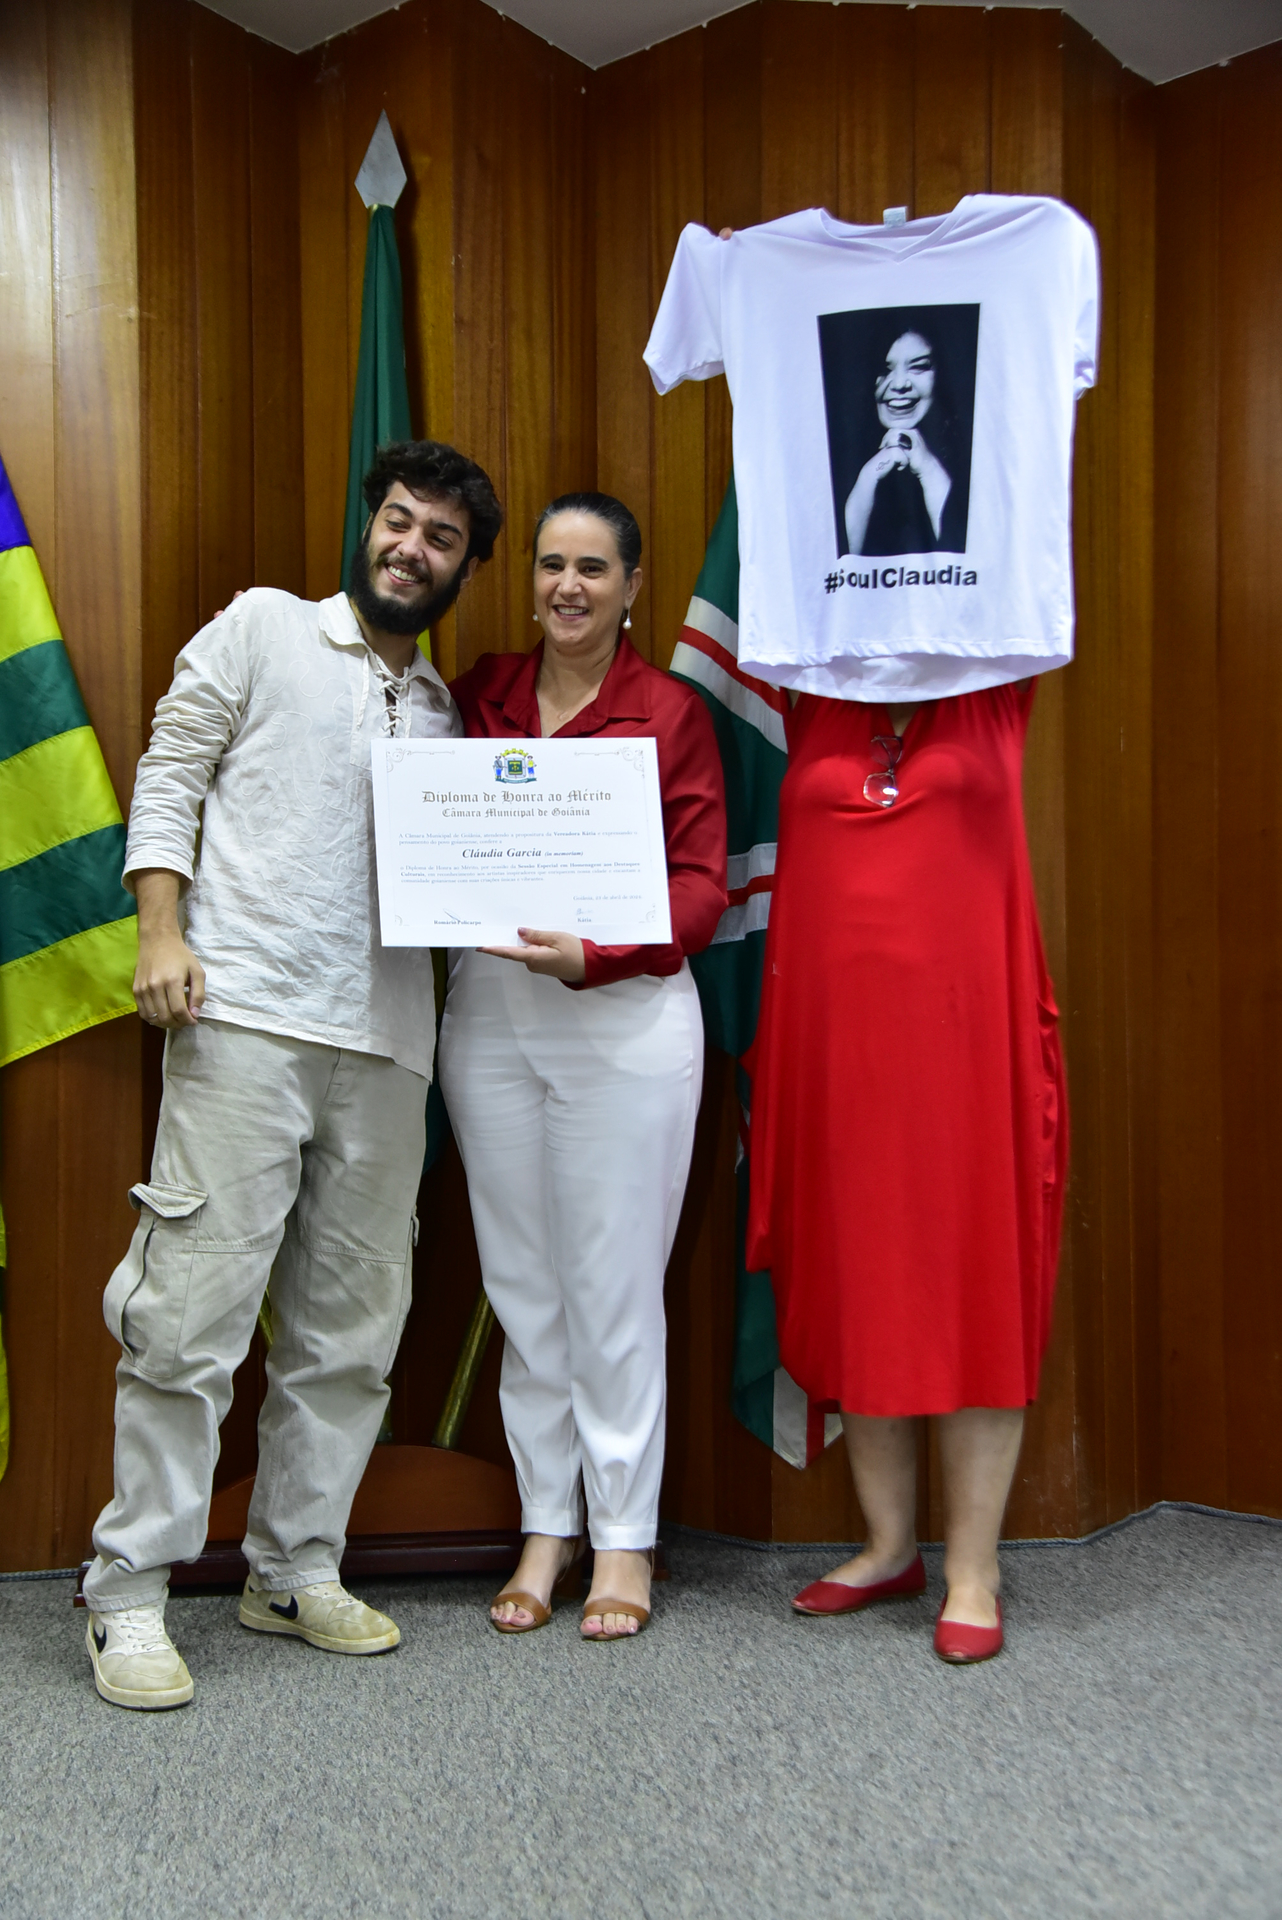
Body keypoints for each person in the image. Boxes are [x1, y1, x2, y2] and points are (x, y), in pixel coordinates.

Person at [83, 440, 502, 1710]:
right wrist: (160, 932)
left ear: (463, 570)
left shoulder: (449, 716)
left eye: (440, 537)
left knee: (351, 1337)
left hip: (388, 1048)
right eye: (398, 520)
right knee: (187, 1322)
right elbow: (171, 768)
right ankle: (127, 1590)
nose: (410, 547)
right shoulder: (264, 626)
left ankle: (292, 1566)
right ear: (367, 526)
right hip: (244, 1019)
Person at [438, 492, 727, 1641]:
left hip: (624, 1022)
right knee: (523, 1287)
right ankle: (546, 1525)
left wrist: (597, 955)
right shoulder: (482, 695)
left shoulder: (670, 711)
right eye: (551, 564)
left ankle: (623, 1539)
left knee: (610, 1290)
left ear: (631, 586)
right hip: (490, 1020)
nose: (568, 586)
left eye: (592, 568)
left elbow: (701, 888)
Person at [747, 682, 1066, 1663]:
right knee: (862, 1280)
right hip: (840, 1047)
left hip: (967, 1045)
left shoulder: (994, 692)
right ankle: (889, 1548)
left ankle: (973, 1570)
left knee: (975, 1285)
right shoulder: (816, 693)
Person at [843, 321, 964, 558]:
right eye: (884, 369)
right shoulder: (840, 460)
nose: (899, 384)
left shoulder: (971, 458)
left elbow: (963, 562)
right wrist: (869, 476)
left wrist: (929, 469)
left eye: (918, 368)